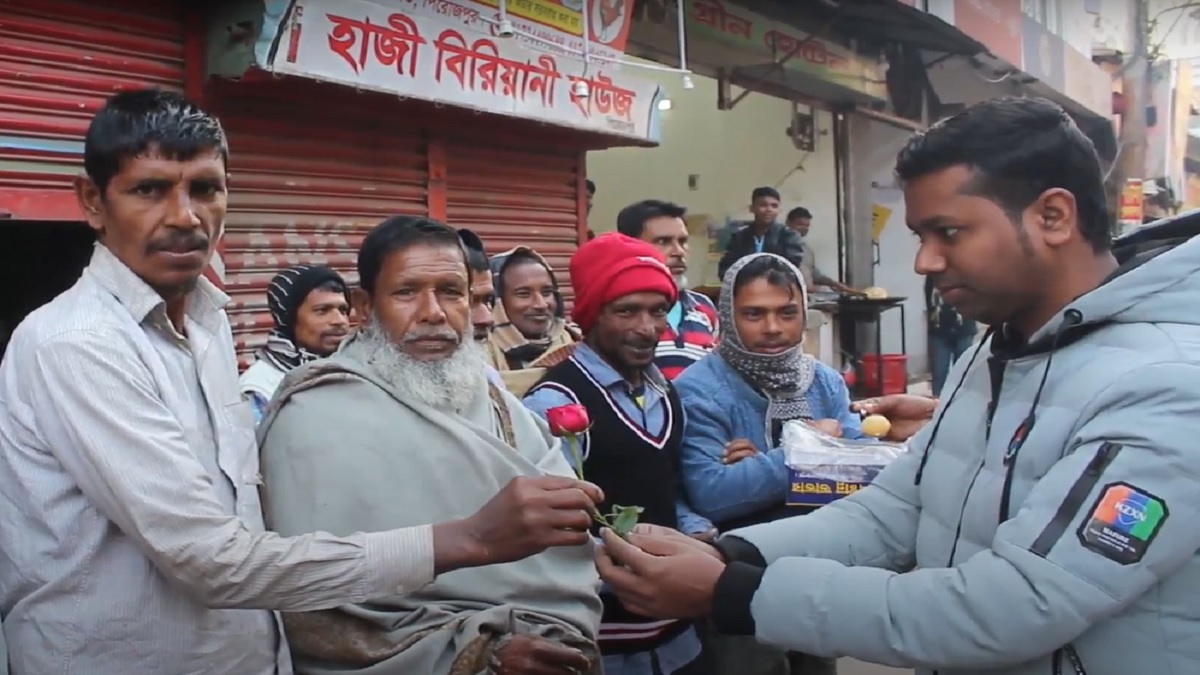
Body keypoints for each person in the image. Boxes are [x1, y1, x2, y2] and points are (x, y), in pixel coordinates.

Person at [0, 89, 603, 675]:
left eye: (206, 189)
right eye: (149, 190)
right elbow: (209, 562)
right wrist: (471, 538)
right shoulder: (79, 344)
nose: (185, 217)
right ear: (93, 201)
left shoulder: (207, 323)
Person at [592, 97, 1200, 675]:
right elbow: (893, 515)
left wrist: (738, 593)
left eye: (949, 233)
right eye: (920, 237)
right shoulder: (993, 351)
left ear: (1053, 216)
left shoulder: (1164, 386)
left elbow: (1014, 604)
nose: (925, 263)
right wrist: (733, 555)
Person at [257, 216, 604, 674]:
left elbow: (561, 542)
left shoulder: (492, 396)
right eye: (407, 292)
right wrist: (480, 651)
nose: (433, 312)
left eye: (451, 291)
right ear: (363, 305)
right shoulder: (313, 417)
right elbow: (311, 607)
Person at [524, 233, 714, 675]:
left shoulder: (665, 393)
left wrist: (696, 533)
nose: (647, 327)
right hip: (602, 641)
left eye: (657, 310)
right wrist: (626, 563)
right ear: (591, 316)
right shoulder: (555, 404)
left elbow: (670, 489)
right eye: (626, 311)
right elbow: (542, 532)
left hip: (678, 637)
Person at [616, 199, 719, 379]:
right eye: (663, 241)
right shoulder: (616, 312)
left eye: (683, 241)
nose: (678, 251)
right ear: (630, 246)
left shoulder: (704, 308)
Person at [239, 264, 350, 421]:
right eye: (322, 310)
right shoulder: (260, 389)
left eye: (343, 310)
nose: (339, 321)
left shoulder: (355, 369)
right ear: (289, 318)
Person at [486, 247, 581, 373]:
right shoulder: (478, 356)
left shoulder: (575, 348)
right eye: (523, 294)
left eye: (547, 292)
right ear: (497, 300)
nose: (541, 305)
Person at [717, 187, 804, 280]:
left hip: (778, 290)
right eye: (763, 205)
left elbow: (790, 270)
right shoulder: (739, 237)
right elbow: (726, 270)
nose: (769, 209)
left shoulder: (789, 236)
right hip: (744, 289)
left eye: (774, 206)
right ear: (752, 208)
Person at [924, 274, 978, 395]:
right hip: (939, 330)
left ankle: (963, 401)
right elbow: (929, 300)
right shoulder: (933, 276)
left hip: (964, 328)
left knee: (964, 371)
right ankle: (938, 405)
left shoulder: (965, 272)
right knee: (939, 372)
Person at [785, 207, 852, 294]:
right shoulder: (779, 246)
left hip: (809, 298)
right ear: (788, 223)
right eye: (800, 224)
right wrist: (821, 289)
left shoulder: (807, 249)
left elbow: (814, 275)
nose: (804, 228)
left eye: (807, 225)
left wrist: (834, 284)